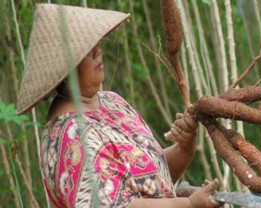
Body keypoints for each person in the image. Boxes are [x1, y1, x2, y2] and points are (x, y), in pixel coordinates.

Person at [17, 3, 222, 208]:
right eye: (87, 50)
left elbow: (148, 179)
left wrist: (184, 148)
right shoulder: (72, 137)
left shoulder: (111, 101)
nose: (98, 52)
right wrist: (188, 204)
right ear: (64, 68)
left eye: (97, 44)